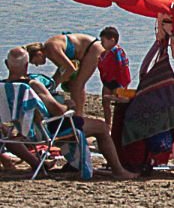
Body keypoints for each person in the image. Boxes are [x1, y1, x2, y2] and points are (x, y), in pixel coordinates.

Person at [4, 47, 133, 177]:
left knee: (9, 138)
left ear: (6, 64)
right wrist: (69, 105)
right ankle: (118, 171)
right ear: (27, 65)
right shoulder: (32, 85)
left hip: (22, 132)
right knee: (102, 127)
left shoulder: (3, 88)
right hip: (46, 132)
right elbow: (58, 111)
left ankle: (49, 164)